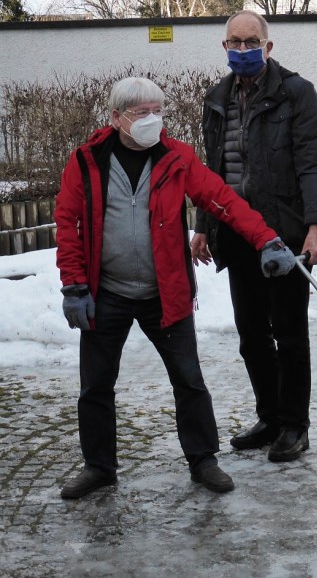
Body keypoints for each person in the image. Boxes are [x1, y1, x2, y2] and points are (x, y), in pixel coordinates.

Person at [54, 77, 297, 499]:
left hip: (165, 293)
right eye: (141, 113)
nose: (153, 120)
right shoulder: (87, 160)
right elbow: (67, 222)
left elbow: (223, 200)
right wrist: (73, 285)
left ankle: (203, 460)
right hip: (107, 292)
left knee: (188, 380)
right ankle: (99, 467)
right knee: (95, 386)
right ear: (116, 117)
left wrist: (266, 239)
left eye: (158, 111)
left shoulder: (176, 157)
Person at [190, 10, 317, 463]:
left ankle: (294, 425)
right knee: (251, 336)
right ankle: (269, 417)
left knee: (289, 334)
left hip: (283, 233)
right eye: (236, 42)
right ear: (224, 46)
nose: (244, 49)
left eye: (252, 42)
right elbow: (212, 171)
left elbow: (312, 163)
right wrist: (203, 226)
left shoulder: (296, 93)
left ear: (268, 47)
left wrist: (316, 227)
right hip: (236, 234)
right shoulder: (216, 98)